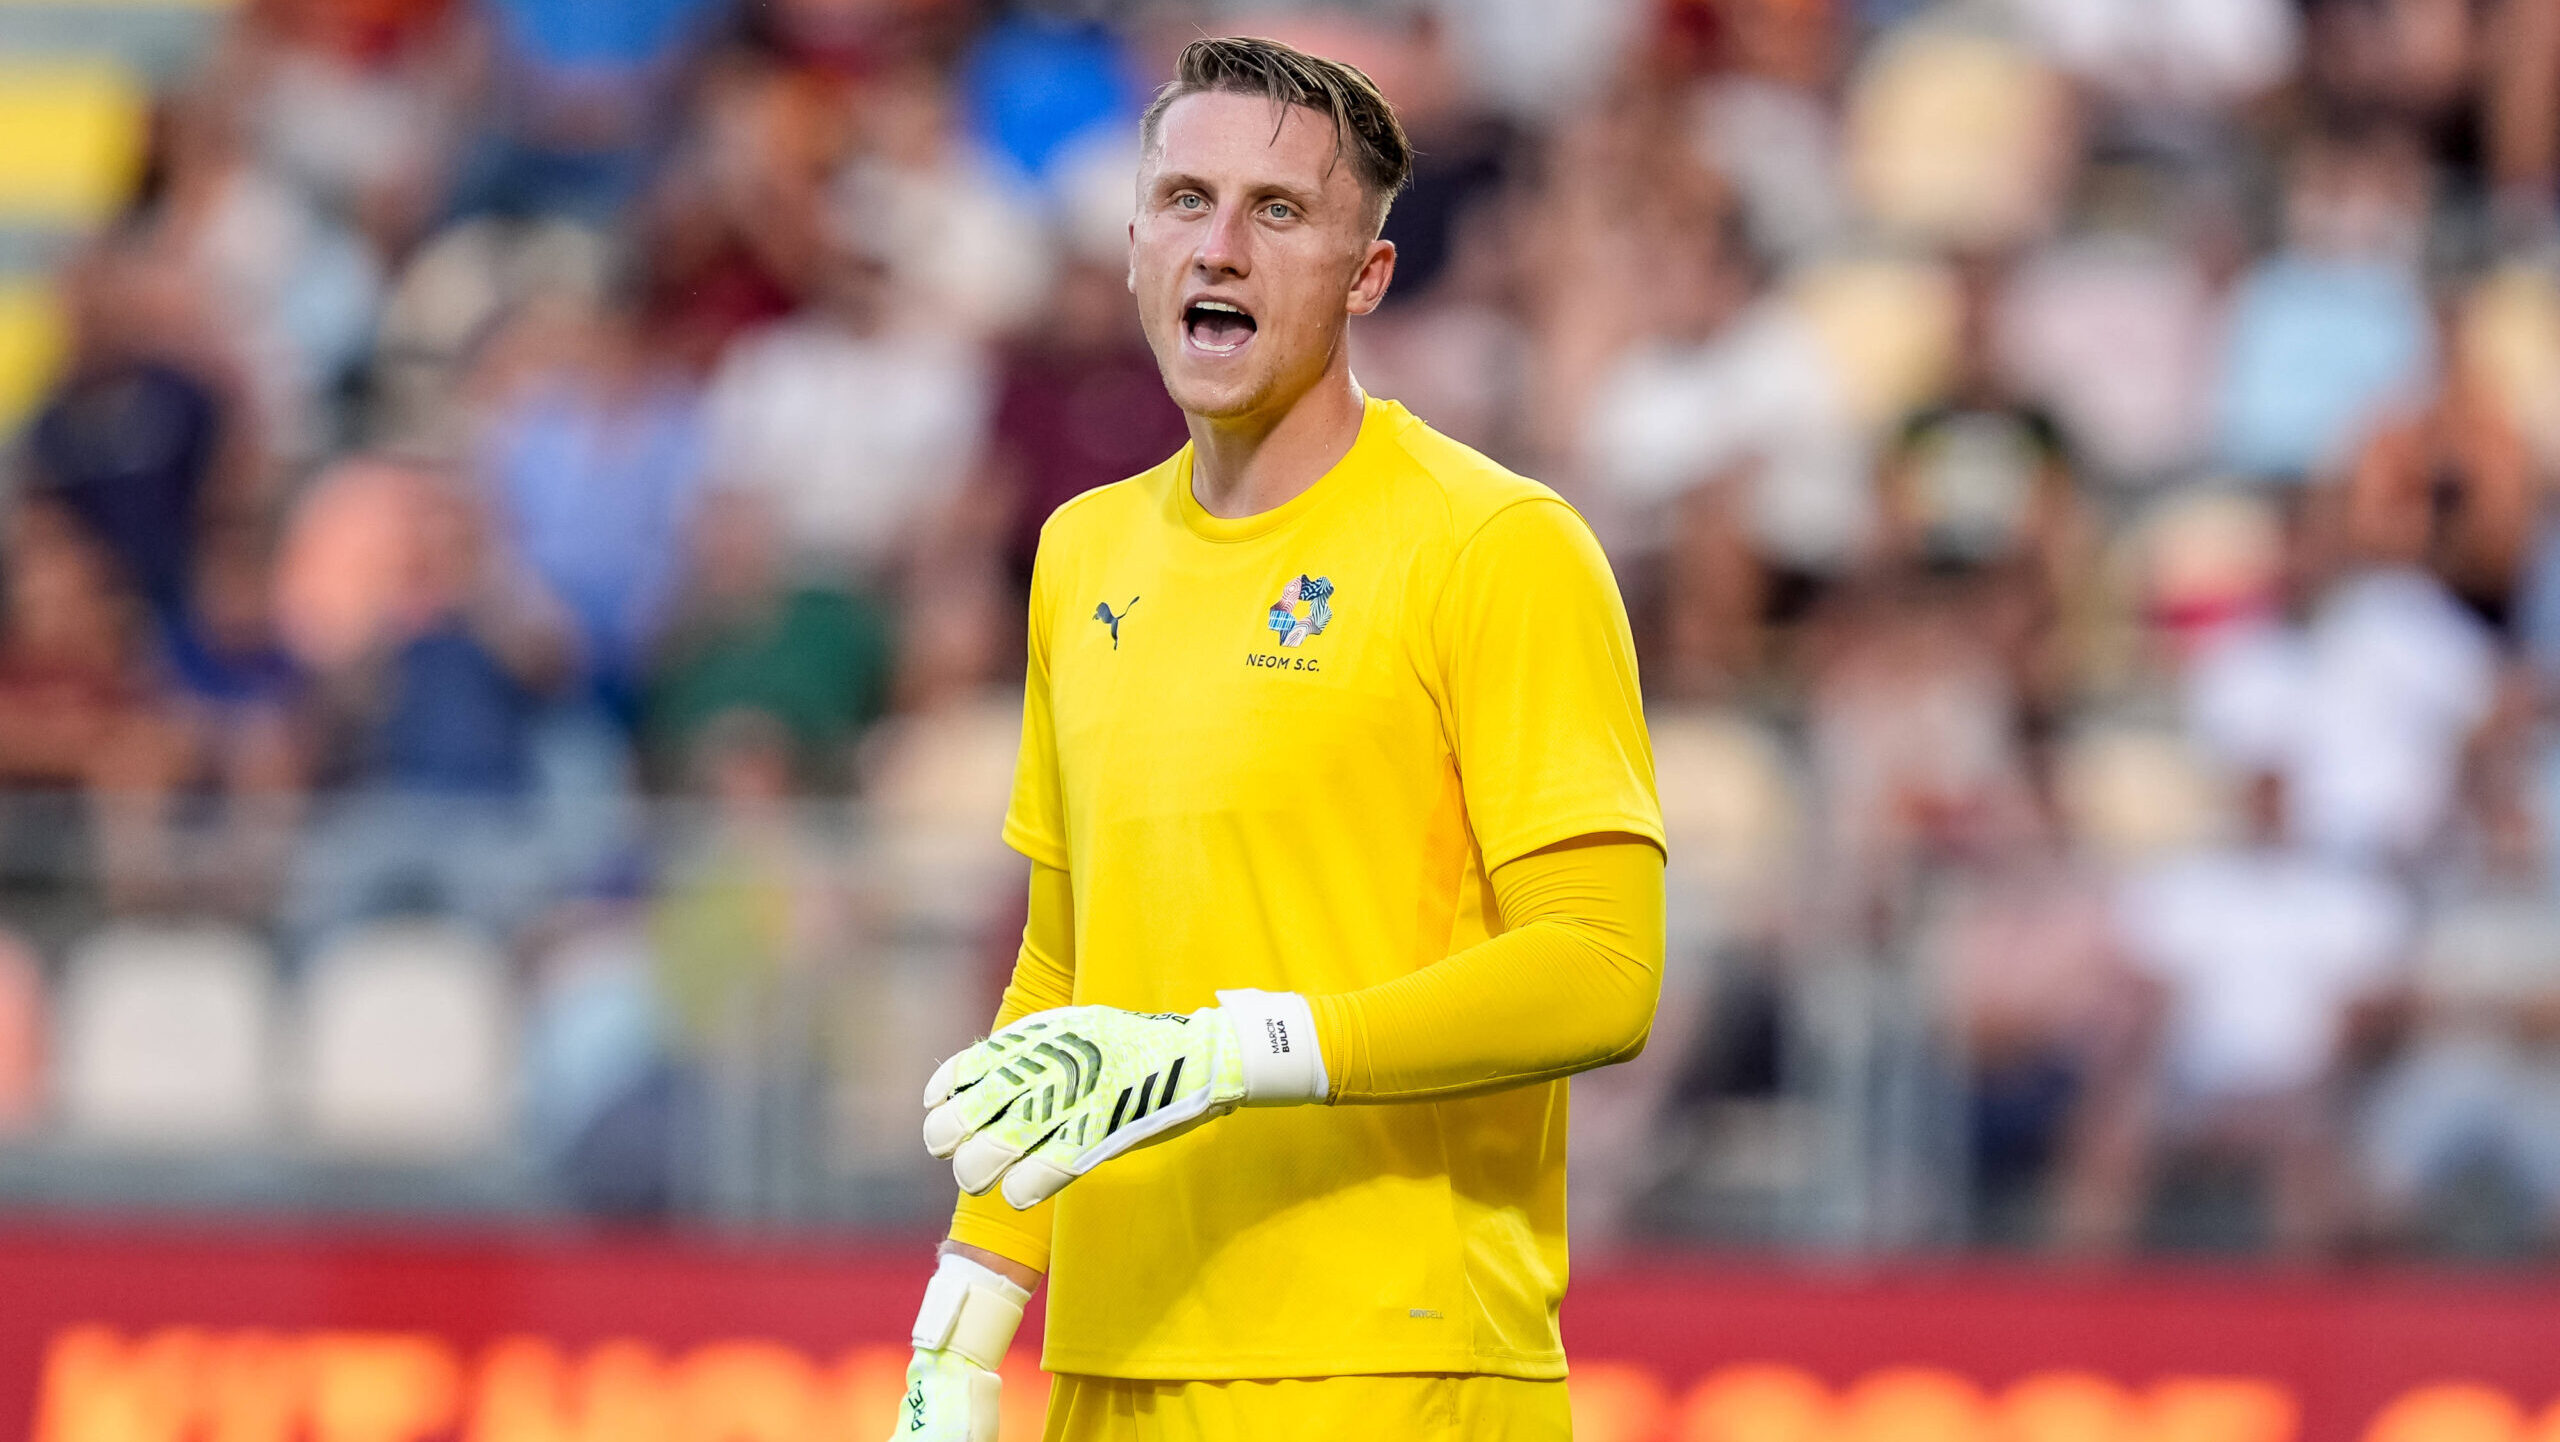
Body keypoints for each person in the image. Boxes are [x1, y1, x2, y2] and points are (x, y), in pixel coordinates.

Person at [887, 36, 1666, 1442]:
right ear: (1135, 244)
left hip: (1392, 1371)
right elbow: (1064, 968)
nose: (1221, 246)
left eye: (1280, 211)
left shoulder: (1495, 545)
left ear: (1367, 275)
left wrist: (1250, 1049)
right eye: (1185, 200)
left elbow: (1603, 969)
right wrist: (970, 1308)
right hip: (1110, 1368)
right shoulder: (1082, 550)